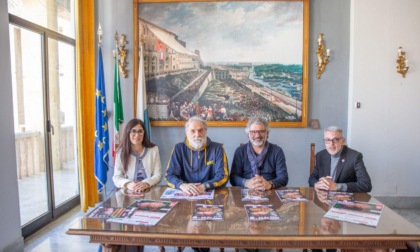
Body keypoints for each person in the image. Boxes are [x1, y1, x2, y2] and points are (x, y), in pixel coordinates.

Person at [165, 116, 229, 196]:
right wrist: (182, 185)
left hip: (210, 194)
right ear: (186, 132)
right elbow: (169, 175)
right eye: (193, 131)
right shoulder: (178, 149)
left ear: (205, 131)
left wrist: (205, 186)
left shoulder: (218, 148)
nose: (197, 134)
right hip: (185, 195)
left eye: (200, 130)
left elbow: (223, 176)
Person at [230, 117, 288, 190]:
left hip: (270, 190)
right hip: (246, 190)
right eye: (253, 132)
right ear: (248, 134)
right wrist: (246, 183)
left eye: (261, 131)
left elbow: (283, 177)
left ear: (267, 133)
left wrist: (270, 184)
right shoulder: (240, 151)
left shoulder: (277, 151)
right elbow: (233, 177)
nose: (257, 135)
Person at [309, 126, 372, 192]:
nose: (331, 144)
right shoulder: (320, 155)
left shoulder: (355, 156)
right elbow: (312, 178)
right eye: (327, 140)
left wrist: (337, 186)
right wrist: (316, 184)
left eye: (335, 140)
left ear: (343, 141)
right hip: (324, 198)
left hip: (345, 199)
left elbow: (366, 185)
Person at [113, 118, 162, 193]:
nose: (137, 135)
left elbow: (158, 175)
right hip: (129, 192)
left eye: (140, 131)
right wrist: (128, 184)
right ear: (128, 133)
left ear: (144, 133)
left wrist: (146, 183)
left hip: (150, 191)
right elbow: (117, 177)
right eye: (133, 131)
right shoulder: (120, 152)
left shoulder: (153, 150)